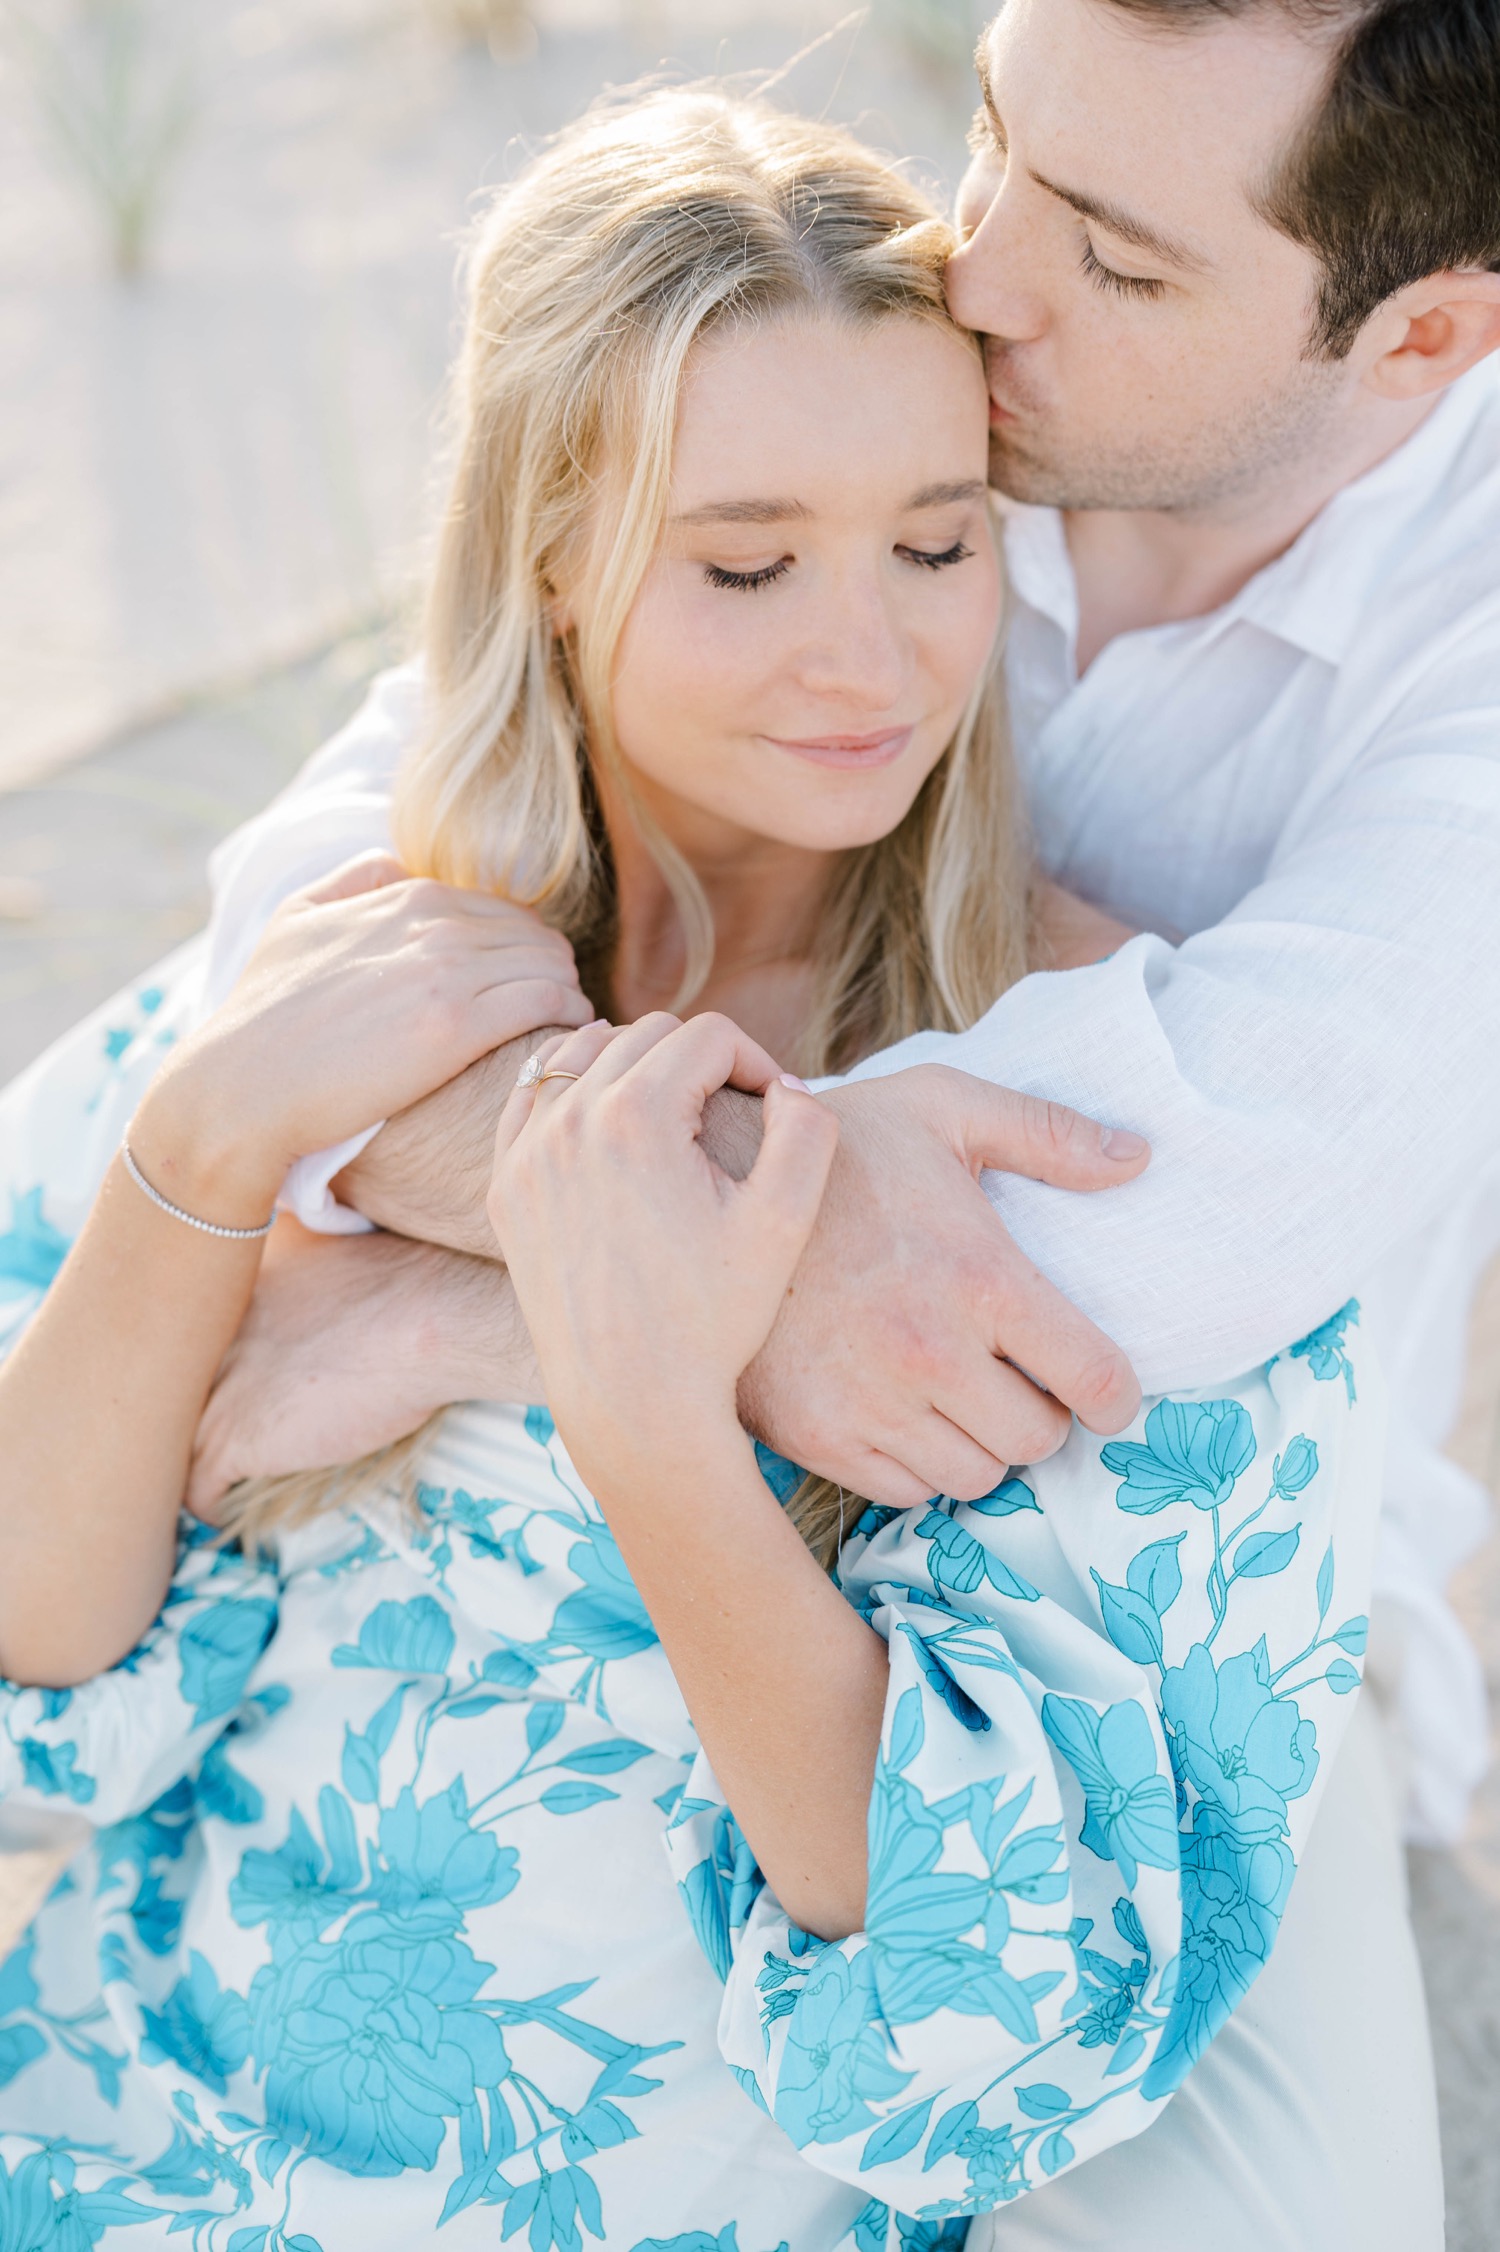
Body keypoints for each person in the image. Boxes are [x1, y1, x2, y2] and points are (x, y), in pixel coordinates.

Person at [0, 94, 1423, 2250]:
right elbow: (33, 1676)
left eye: (940, 547)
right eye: (746, 560)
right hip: (115, 2121)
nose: (869, 656)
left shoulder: (1097, 1104)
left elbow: (993, 2029)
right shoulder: (365, 986)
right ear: (552, 554)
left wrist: (643, 1410)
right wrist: (198, 1142)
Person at [198, 0, 1500, 1853]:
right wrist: (595, 1214)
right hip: (670, 1525)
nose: (973, 273)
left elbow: (1168, 1237)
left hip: (1196, 1616)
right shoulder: (892, 338)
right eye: (994, 134)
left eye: (1114, 261)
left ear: (1427, 335)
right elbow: (311, 908)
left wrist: (474, 1308)